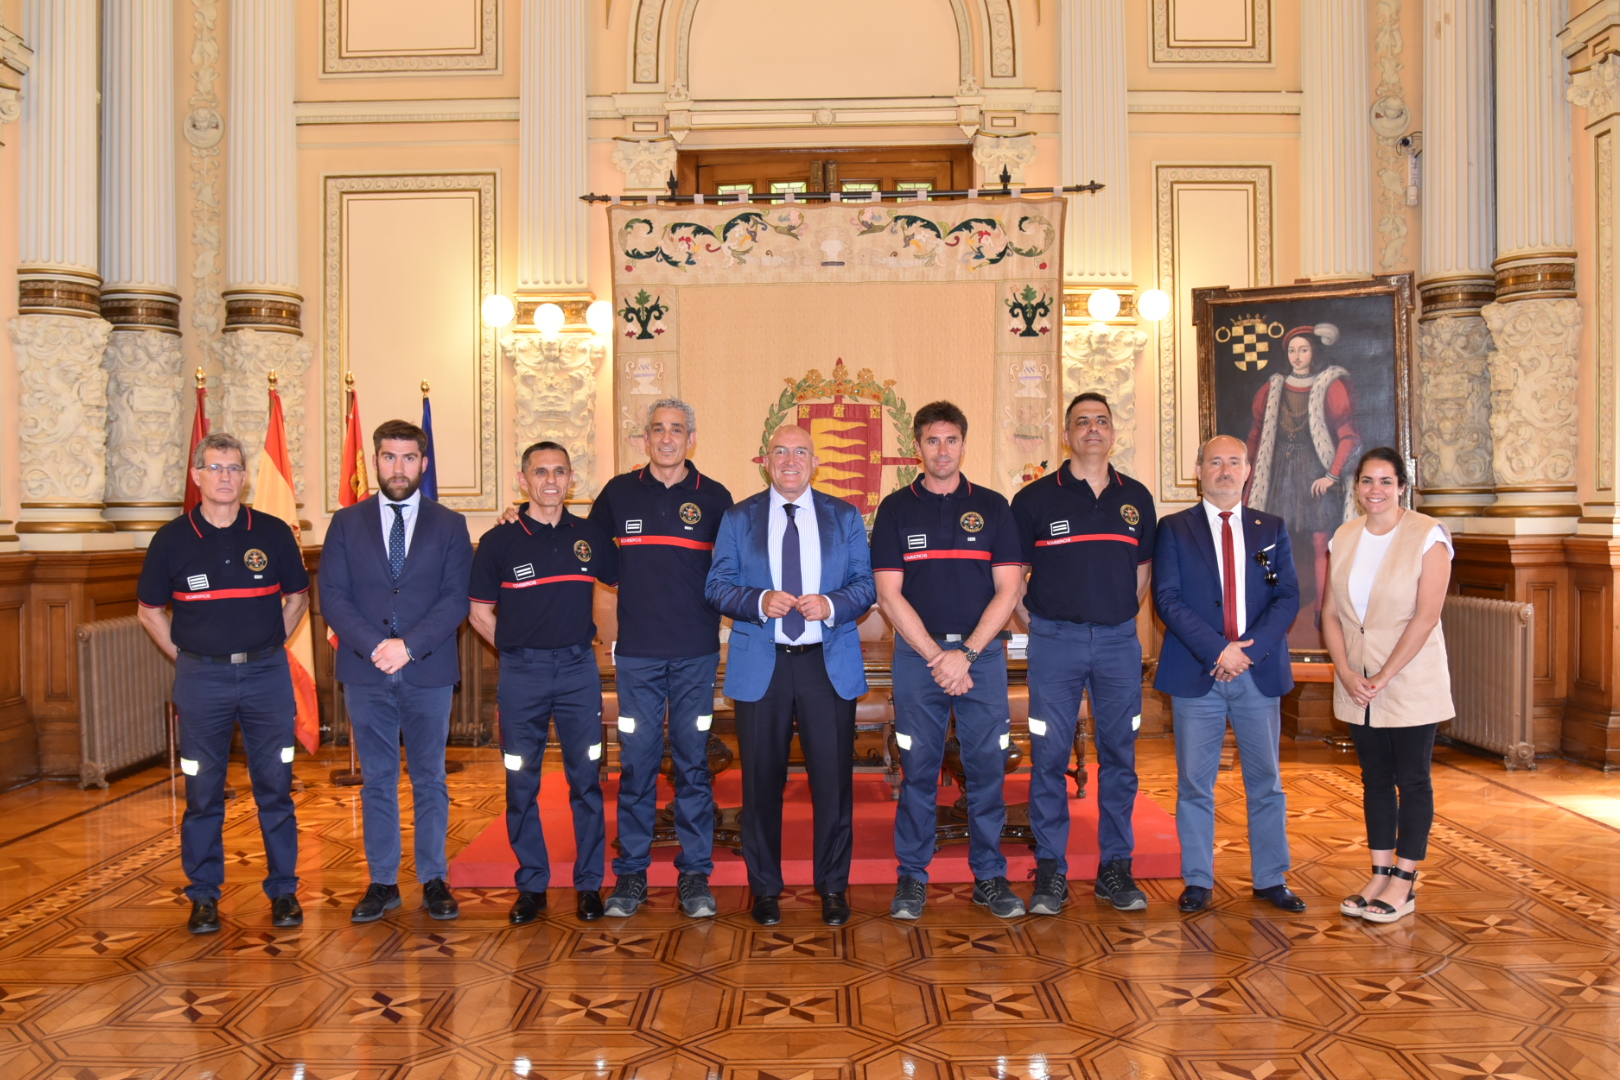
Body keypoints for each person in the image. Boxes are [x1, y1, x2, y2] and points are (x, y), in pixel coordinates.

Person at [136, 432, 309, 934]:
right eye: (215, 468)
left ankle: (284, 891)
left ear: (245, 476)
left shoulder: (272, 532)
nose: (226, 477)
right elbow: (149, 612)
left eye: (234, 468)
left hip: (266, 677)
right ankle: (204, 896)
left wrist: (268, 645)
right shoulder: (171, 540)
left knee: (275, 787)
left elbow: (298, 598)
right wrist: (189, 659)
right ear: (197, 476)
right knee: (203, 791)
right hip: (201, 680)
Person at [705, 423, 876, 927]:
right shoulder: (739, 518)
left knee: (833, 785)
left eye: (800, 452)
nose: (790, 460)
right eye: (780, 451)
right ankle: (765, 889)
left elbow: (865, 585)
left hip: (827, 663)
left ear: (815, 462)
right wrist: (758, 600)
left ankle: (833, 888)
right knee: (760, 785)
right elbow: (716, 586)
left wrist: (832, 604)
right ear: (765, 461)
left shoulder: (845, 516)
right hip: (764, 665)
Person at [871, 401, 1026, 920]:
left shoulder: (994, 506)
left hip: (982, 658)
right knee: (917, 770)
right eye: (932, 440)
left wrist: (968, 654)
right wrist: (940, 657)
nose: (942, 450)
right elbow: (889, 595)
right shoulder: (896, 509)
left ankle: (990, 876)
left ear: (963, 444)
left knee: (987, 771)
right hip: (920, 659)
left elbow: (1009, 589)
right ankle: (913, 877)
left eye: (951, 440)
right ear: (917, 446)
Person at [319, 419, 473, 924]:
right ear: (375, 461)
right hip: (366, 671)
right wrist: (375, 647)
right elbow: (333, 597)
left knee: (430, 778)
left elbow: (455, 599)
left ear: (423, 463)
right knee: (378, 780)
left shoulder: (449, 524)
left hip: (428, 669)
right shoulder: (347, 522)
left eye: (409, 458)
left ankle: (434, 879)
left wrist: (407, 647)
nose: (399, 467)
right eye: (389, 457)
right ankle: (383, 882)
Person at [1010, 392, 1156, 913]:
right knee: (1049, 757)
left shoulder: (1136, 497)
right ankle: (1051, 869)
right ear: (1066, 435)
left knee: (1121, 758)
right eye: (1082, 422)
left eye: (1101, 421)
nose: (1092, 428)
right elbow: (1011, 579)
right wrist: (1041, 628)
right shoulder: (1033, 500)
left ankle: (1115, 868)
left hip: (1118, 644)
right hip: (1055, 643)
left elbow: (1141, 574)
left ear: (1112, 433)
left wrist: (1114, 619)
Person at [590, 401, 734, 919]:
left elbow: (730, 567)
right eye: (658, 429)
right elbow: (590, 549)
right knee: (637, 765)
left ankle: (695, 875)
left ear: (691, 438)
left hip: (696, 653)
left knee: (694, 765)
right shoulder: (618, 492)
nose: (667, 438)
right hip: (638, 657)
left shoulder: (714, 497)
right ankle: (631, 874)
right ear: (645, 438)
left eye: (677, 430)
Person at [1153, 435, 1304, 914]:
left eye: (1234, 462)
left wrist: (1247, 652)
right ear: (1198, 470)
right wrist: (1219, 650)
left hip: (1257, 672)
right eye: (1214, 462)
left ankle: (1271, 878)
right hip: (1197, 671)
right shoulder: (1173, 528)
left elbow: (1287, 597)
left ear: (1247, 470)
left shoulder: (1271, 528)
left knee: (1266, 783)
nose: (1224, 470)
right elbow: (1167, 599)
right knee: (1195, 785)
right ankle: (1198, 880)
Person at [470, 442, 620, 925]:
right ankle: (532, 884)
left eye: (559, 471)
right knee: (521, 782)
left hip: (578, 673)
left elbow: (630, 577)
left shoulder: (590, 536)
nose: (550, 480)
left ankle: (589, 885)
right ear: (523, 480)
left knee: (587, 782)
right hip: (522, 676)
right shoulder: (499, 540)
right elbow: (478, 612)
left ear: (571, 479)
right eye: (540, 472)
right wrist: (515, 649)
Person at [1321, 447, 1453, 924]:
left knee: (1412, 779)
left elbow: (1426, 617)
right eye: (1366, 481)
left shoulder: (1428, 535)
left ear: (1401, 486)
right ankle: (1379, 874)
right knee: (1374, 777)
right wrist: (1345, 671)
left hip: (1409, 677)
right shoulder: (1344, 535)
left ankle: (1404, 881)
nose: (1375, 490)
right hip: (1356, 680)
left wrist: (1382, 676)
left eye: (1385, 481)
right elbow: (1330, 614)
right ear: (1356, 487)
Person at [1244, 323, 1359, 624]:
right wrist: (1245, 469)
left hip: (1316, 472)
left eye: (1304, 349)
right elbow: (1256, 435)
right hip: (1279, 472)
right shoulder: (1272, 389)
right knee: (1271, 541)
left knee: (1321, 540)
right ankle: (1271, 604)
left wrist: (1332, 475)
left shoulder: (1330, 384)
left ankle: (1323, 610)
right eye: (1292, 351)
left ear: (1314, 351)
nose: (1297, 356)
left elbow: (1349, 436)